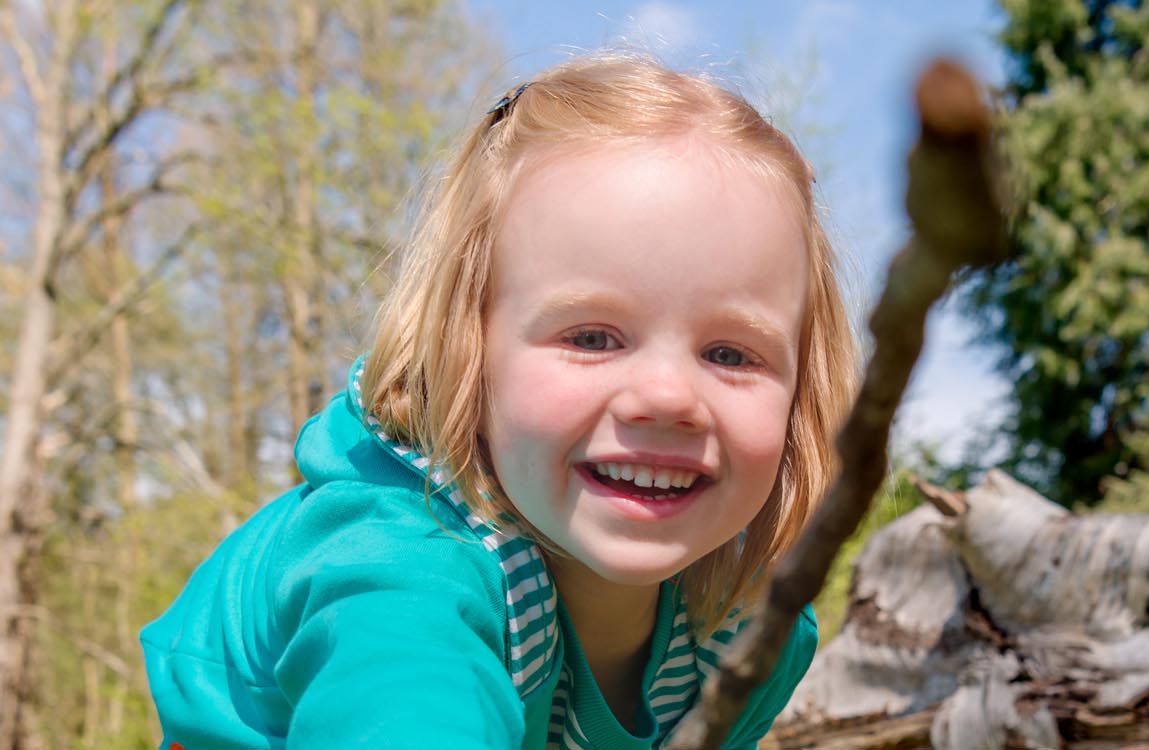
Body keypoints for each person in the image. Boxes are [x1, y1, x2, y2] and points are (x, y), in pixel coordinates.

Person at [139, 51, 858, 750]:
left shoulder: (751, 635)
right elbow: (401, 698)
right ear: (468, 351)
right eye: (592, 337)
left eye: (730, 354)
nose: (668, 397)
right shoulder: (400, 562)